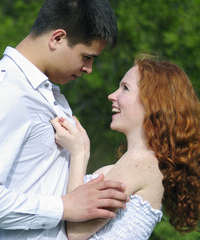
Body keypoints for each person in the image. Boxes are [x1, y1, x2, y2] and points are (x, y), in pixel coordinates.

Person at [0, 0, 129, 239]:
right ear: (57, 38)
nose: (89, 69)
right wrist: (63, 207)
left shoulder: (42, 93)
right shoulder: (4, 92)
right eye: (86, 56)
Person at [51, 54, 200, 239]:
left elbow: (75, 231)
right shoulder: (138, 163)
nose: (112, 95)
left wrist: (79, 154)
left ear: (152, 103)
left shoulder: (141, 161)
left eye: (125, 88)